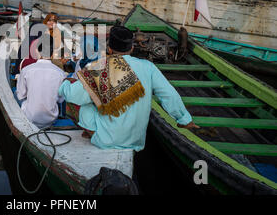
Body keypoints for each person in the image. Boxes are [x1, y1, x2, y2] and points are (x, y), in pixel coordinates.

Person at [58, 25, 199, 150]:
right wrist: (184, 119)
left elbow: (71, 95)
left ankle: (92, 134)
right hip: (136, 141)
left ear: (109, 48)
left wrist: (65, 82)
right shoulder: (148, 67)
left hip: (105, 141)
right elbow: (169, 95)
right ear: (131, 48)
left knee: (86, 105)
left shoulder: (99, 68)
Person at [16, 43, 68, 129]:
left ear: (38, 53)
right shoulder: (60, 73)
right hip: (51, 119)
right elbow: (60, 99)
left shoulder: (26, 70)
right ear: (52, 55)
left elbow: (21, 95)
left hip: (30, 117)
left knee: (16, 94)